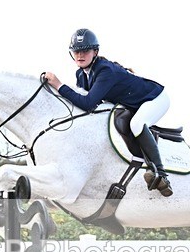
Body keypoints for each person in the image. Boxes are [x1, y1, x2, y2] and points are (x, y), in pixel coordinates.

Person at [44, 28, 173, 196]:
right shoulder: (81, 74)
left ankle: (161, 174)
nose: (80, 55)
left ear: (95, 52)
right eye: (76, 51)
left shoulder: (105, 70)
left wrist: (59, 85)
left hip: (155, 98)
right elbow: (83, 104)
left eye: (85, 51)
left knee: (136, 124)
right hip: (133, 103)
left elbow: (87, 103)